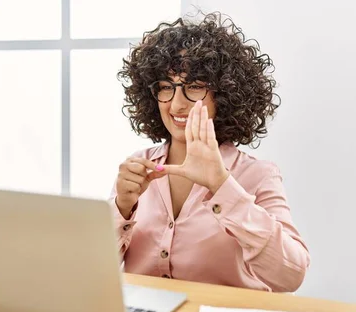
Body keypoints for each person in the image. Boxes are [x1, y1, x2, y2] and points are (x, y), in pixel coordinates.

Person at [110, 12, 310, 292]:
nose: (176, 104)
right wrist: (121, 207)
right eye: (166, 87)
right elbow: (91, 270)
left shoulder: (257, 175)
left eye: (194, 87)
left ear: (225, 94)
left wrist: (221, 185)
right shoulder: (139, 165)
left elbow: (292, 276)